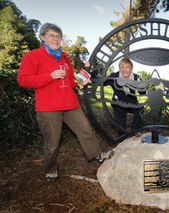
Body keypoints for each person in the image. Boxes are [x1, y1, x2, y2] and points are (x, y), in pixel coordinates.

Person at [17, 23, 113, 182]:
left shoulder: (65, 57)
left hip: (70, 104)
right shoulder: (32, 56)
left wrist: (85, 72)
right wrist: (51, 76)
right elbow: (23, 80)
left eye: (58, 36)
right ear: (42, 37)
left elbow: (73, 82)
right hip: (48, 107)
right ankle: (50, 169)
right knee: (52, 143)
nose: (56, 39)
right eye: (52, 36)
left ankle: (98, 155)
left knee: (86, 130)